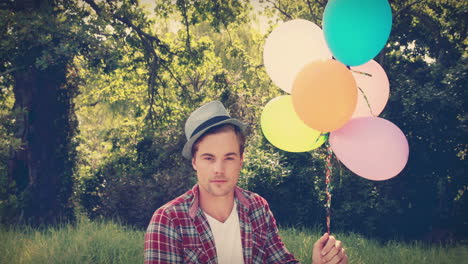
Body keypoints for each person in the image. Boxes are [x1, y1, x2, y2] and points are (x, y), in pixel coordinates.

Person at [144, 101, 348, 264]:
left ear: (241, 161)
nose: (219, 169)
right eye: (209, 158)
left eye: (229, 157)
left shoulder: (257, 208)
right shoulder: (169, 220)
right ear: (195, 162)